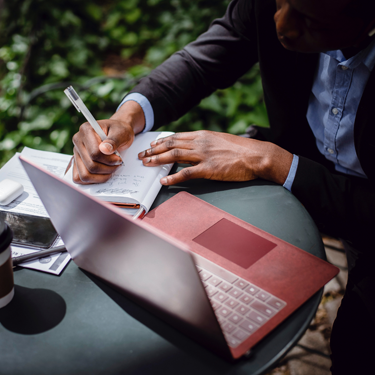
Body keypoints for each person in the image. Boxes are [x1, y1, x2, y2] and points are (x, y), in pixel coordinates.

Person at [72, 0, 375, 373]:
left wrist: (273, 162)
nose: (281, 25)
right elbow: (211, 54)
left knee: (358, 345)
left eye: (309, 19)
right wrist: (127, 117)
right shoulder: (277, 8)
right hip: (308, 170)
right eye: (280, 2)